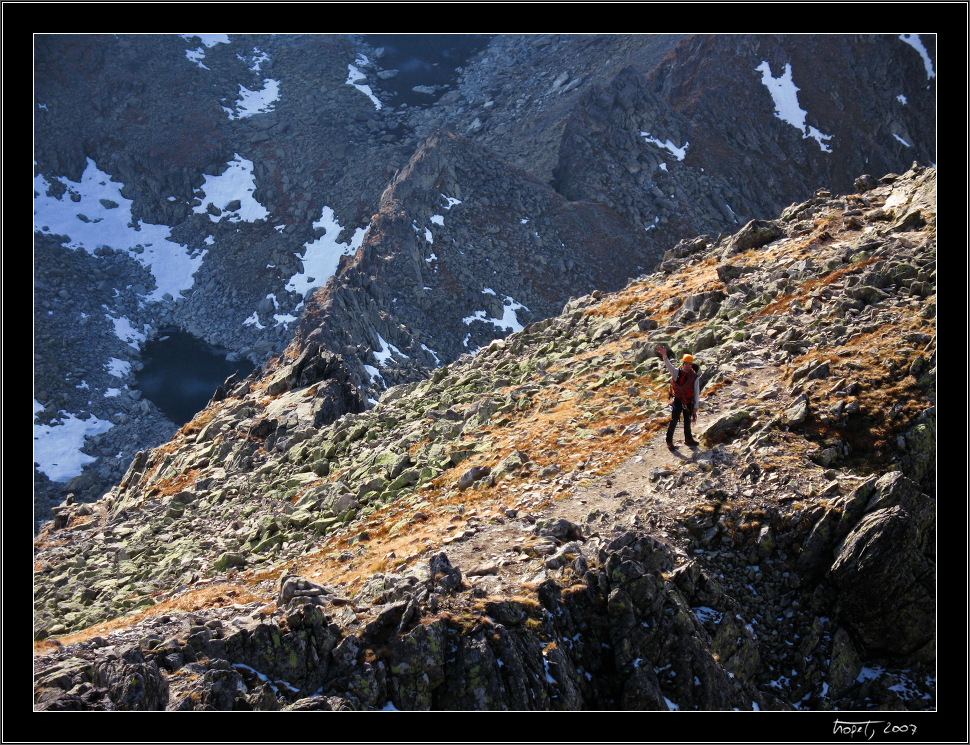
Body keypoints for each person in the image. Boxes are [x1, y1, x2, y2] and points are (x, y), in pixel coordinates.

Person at [656, 346, 700, 449]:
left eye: (690, 364)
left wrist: (696, 405)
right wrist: (664, 355)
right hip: (678, 400)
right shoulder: (677, 373)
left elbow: (696, 391)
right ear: (683, 364)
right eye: (686, 364)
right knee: (674, 420)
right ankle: (669, 441)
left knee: (687, 420)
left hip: (689, 401)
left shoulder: (694, 377)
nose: (688, 366)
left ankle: (688, 438)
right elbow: (668, 365)